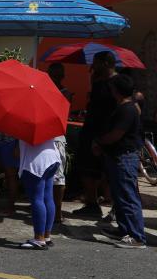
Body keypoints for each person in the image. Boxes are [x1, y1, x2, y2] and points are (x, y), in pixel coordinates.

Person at [94, 74, 147, 249]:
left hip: (124, 157)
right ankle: (125, 230)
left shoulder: (127, 109)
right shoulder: (124, 107)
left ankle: (137, 236)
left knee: (128, 197)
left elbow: (116, 134)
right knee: (120, 197)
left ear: (116, 90)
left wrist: (100, 141)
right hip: (118, 157)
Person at [73, 50, 117, 218]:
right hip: (91, 132)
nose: (93, 66)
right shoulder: (99, 83)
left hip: (106, 135)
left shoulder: (116, 83)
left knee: (110, 172)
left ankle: (116, 207)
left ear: (105, 63)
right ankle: (92, 203)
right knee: (88, 170)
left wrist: (102, 138)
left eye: (96, 63)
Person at [17, 136, 61, 250]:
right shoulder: (47, 119)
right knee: (48, 198)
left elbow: (17, 151)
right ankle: (46, 237)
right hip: (52, 158)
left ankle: (39, 239)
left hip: (36, 162)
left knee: (37, 199)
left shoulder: (24, 122)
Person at [47, 63, 72, 224]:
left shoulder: (65, 93)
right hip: (44, 137)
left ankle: (57, 211)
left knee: (58, 176)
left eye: (57, 74)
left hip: (56, 137)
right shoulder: (44, 90)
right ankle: (51, 209)